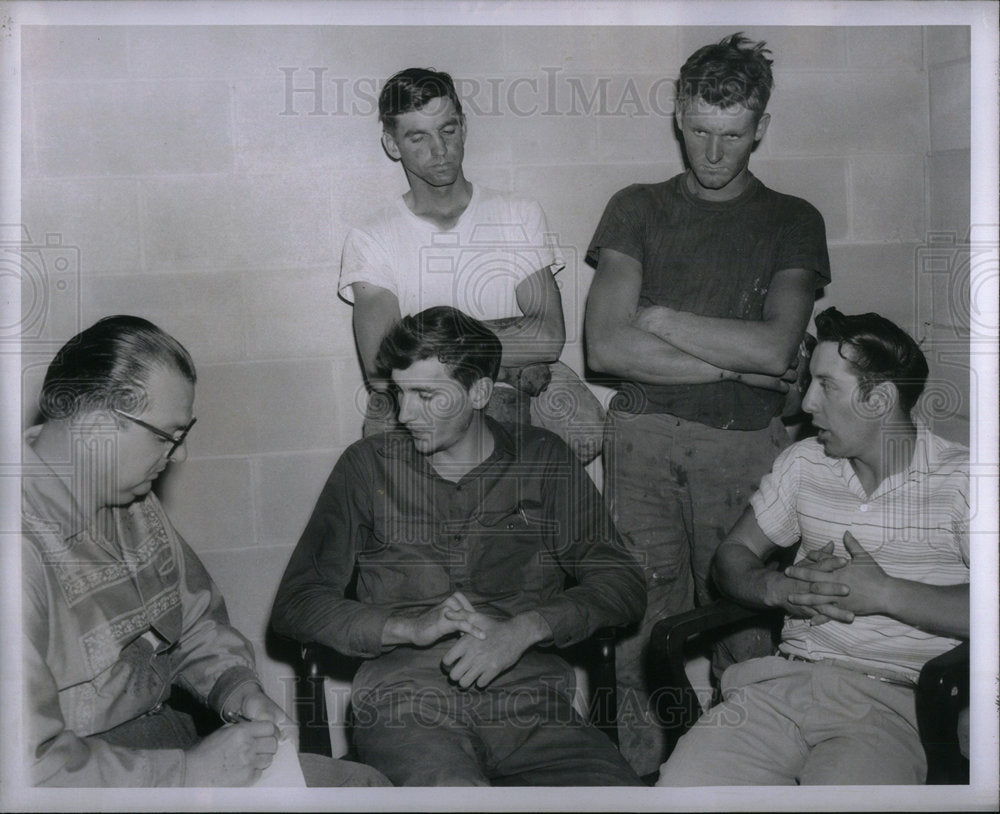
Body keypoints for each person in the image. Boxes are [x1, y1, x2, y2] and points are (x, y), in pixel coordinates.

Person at [583, 32, 831, 775]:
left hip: (745, 450)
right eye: (698, 132)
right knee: (635, 626)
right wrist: (740, 362)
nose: (713, 154)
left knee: (747, 631)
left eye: (731, 137)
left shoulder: (794, 217)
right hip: (641, 441)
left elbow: (776, 352)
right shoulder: (635, 207)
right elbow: (605, 350)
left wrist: (661, 319)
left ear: (760, 126)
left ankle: (743, 778)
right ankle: (638, 780)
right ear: (676, 117)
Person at [270, 306, 646, 786]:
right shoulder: (366, 468)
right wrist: (407, 628)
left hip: (531, 706)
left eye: (427, 396)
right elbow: (296, 604)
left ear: (479, 392)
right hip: (406, 706)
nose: (405, 415)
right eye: (399, 394)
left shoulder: (543, 458)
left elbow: (622, 583)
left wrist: (525, 630)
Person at [22, 315, 389, 788]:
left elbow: (194, 623)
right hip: (97, 778)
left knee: (365, 787)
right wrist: (190, 773)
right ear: (95, 420)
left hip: (171, 740)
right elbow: (29, 767)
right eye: (165, 436)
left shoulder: (130, 501)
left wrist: (237, 689)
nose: (179, 456)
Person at [657, 307, 969, 785]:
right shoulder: (805, 462)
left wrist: (884, 592)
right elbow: (731, 556)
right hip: (782, 686)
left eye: (827, 385)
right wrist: (780, 589)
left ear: (879, 399)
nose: (806, 404)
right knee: (683, 790)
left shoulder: (965, 481)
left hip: (893, 703)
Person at [340, 67, 603, 461]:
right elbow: (382, 367)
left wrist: (429, 341)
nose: (439, 149)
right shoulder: (372, 236)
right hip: (424, 398)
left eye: (447, 130)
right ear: (392, 145)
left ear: (463, 127)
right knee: (385, 447)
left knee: (587, 429)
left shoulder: (518, 212)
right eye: (418, 137)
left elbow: (547, 337)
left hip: (502, 392)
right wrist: (505, 350)